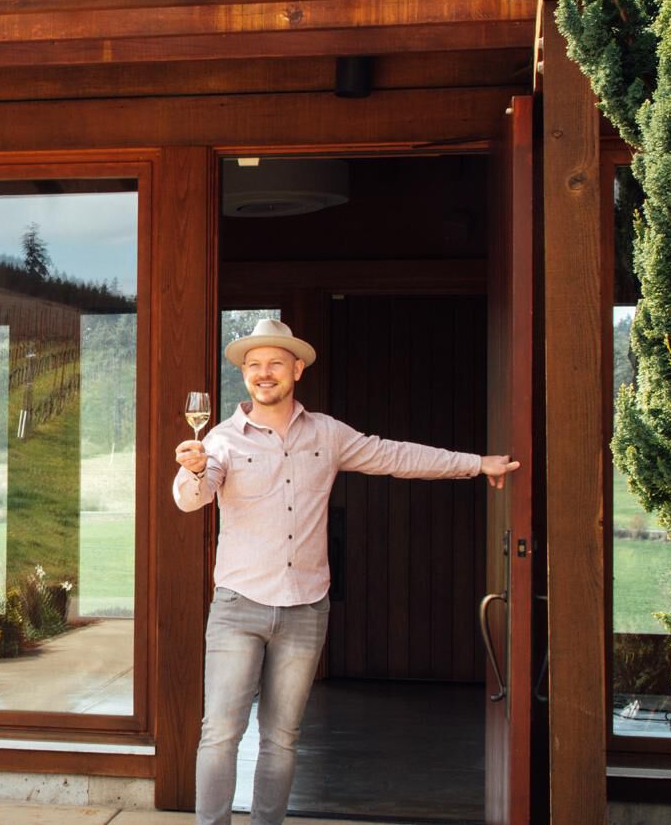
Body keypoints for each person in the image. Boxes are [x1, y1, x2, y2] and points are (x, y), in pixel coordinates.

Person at [174, 318, 518, 825]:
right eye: (253, 365)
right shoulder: (222, 441)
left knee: (282, 739)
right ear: (244, 375)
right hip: (238, 608)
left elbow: (396, 456)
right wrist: (196, 469)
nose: (263, 373)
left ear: (297, 369)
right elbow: (191, 499)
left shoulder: (329, 434)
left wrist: (475, 463)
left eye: (274, 363)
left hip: (305, 610)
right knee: (220, 733)